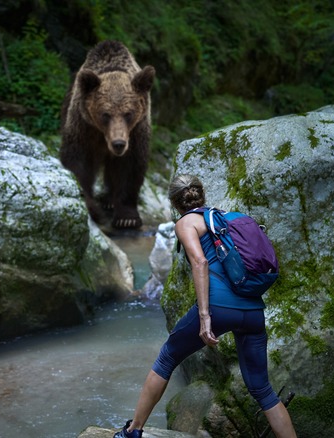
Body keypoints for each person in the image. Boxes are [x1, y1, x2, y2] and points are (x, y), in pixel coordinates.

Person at [113, 174, 296, 438]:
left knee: (167, 358)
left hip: (220, 307)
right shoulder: (222, 219)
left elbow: (200, 262)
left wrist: (205, 316)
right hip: (253, 310)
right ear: (202, 194)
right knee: (262, 389)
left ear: (175, 204)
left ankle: (134, 430)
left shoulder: (186, 223)